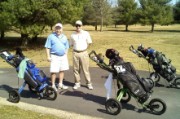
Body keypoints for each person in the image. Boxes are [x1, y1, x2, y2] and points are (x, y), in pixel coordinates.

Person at [45, 23, 69, 91]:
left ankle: (60, 84)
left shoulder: (64, 37)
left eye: (60, 28)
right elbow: (47, 47)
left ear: (62, 29)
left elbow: (67, 47)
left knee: (62, 70)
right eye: (57, 28)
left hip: (63, 56)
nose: (58, 30)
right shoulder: (51, 36)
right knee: (54, 71)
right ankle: (53, 85)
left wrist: (66, 54)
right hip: (54, 56)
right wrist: (48, 56)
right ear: (55, 29)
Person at [70, 20, 93, 90]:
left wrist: (84, 50)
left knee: (85, 69)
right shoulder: (72, 35)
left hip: (84, 53)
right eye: (76, 25)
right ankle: (77, 83)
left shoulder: (86, 33)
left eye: (79, 25)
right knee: (76, 69)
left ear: (81, 26)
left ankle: (89, 83)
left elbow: (89, 42)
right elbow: (70, 44)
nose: (78, 27)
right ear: (75, 26)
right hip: (75, 53)